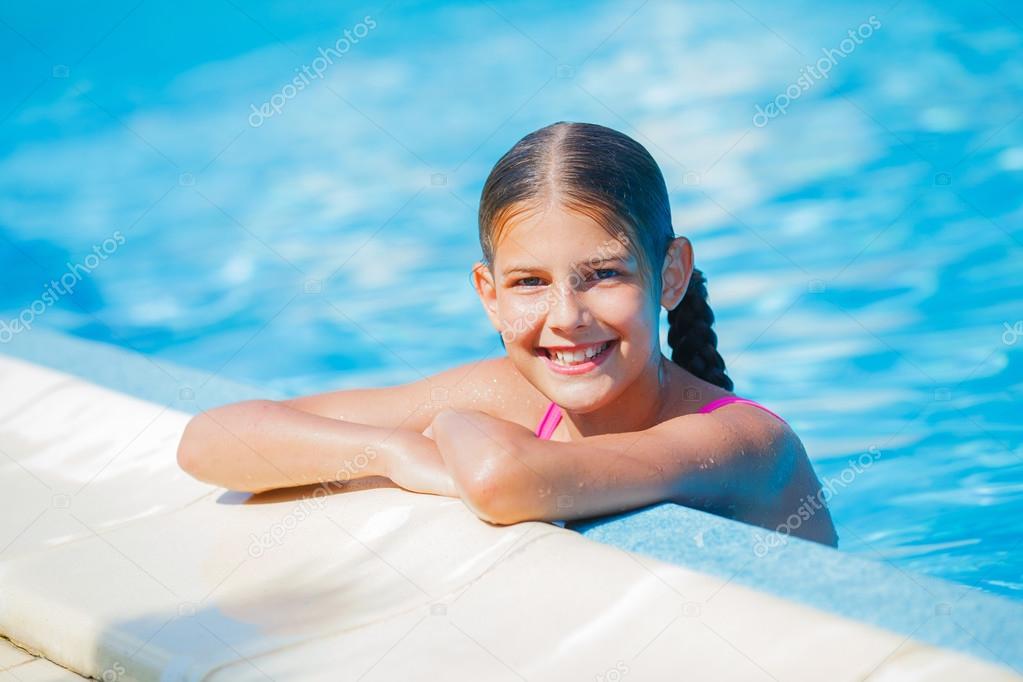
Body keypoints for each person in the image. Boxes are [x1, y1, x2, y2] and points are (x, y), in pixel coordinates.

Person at [177, 121, 838, 547]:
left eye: (602, 273)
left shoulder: (743, 439)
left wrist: (452, 422)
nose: (566, 316)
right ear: (487, 296)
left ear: (670, 275)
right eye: (528, 283)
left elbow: (503, 480)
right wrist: (392, 452)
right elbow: (210, 440)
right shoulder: (511, 397)